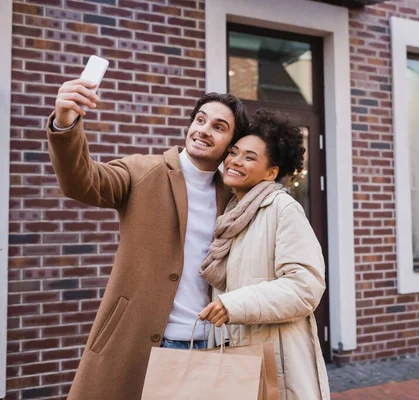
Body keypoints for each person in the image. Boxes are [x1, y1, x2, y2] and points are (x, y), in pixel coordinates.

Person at [47, 78, 248, 399]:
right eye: (200, 120)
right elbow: (82, 181)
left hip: (212, 344)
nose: (203, 130)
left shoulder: (235, 196)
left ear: (231, 145)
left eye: (218, 126)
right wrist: (64, 122)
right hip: (144, 343)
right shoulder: (144, 170)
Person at [198, 110, 330, 399]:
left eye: (249, 157)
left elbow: (305, 286)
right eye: (234, 153)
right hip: (235, 360)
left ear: (271, 172)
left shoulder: (283, 209)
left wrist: (234, 304)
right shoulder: (230, 213)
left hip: (278, 365)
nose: (235, 161)